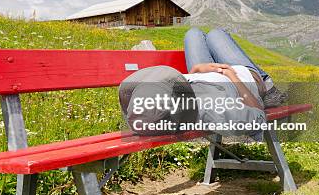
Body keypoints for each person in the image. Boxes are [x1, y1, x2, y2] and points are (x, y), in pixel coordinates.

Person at [119, 26, 283, 138]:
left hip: (203, 73)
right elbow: (258, 116)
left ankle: (203, 66)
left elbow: (183, 89)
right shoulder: (216, 112)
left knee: (193, 33)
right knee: (216, 34)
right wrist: (232, 76)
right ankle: (268, 85)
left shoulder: (168, 99)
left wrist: (196, 70)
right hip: (242, 77)